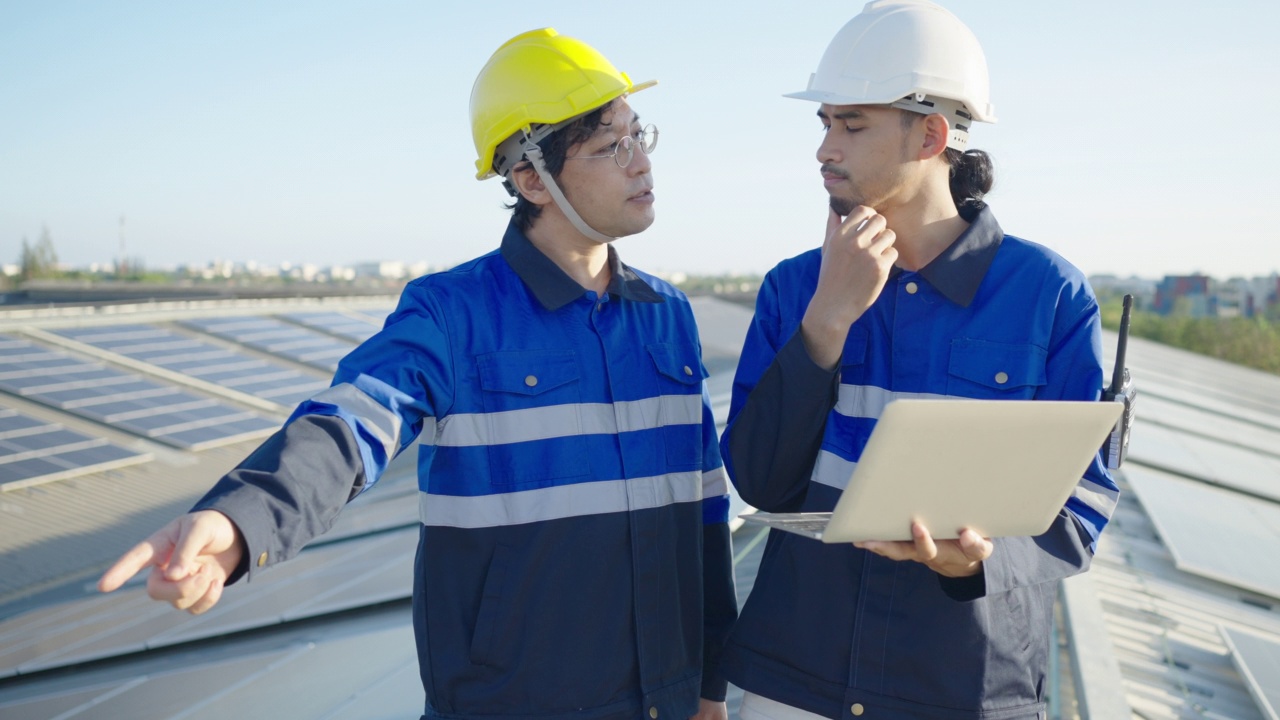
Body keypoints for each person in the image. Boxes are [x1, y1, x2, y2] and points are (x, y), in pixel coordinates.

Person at [98, 27, 736, 720]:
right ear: (530, 178)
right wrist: (242, 522)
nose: (640, 162)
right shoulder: (453, 313)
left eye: (638, 134)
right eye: (610, 145)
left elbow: (703, 516)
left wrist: (708, 689)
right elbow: (350, 424)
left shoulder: (666, 316)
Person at [719, 2, 1118, 718]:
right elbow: (761, 481)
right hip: (797, 680)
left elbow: (1084, 500)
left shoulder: (1047, 295)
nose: (824, 149)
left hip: (961, 688)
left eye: (853, 124)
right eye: (824, 123)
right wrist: (826, 323)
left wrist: (980, 561)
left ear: (932, 133)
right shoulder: (793, 289)